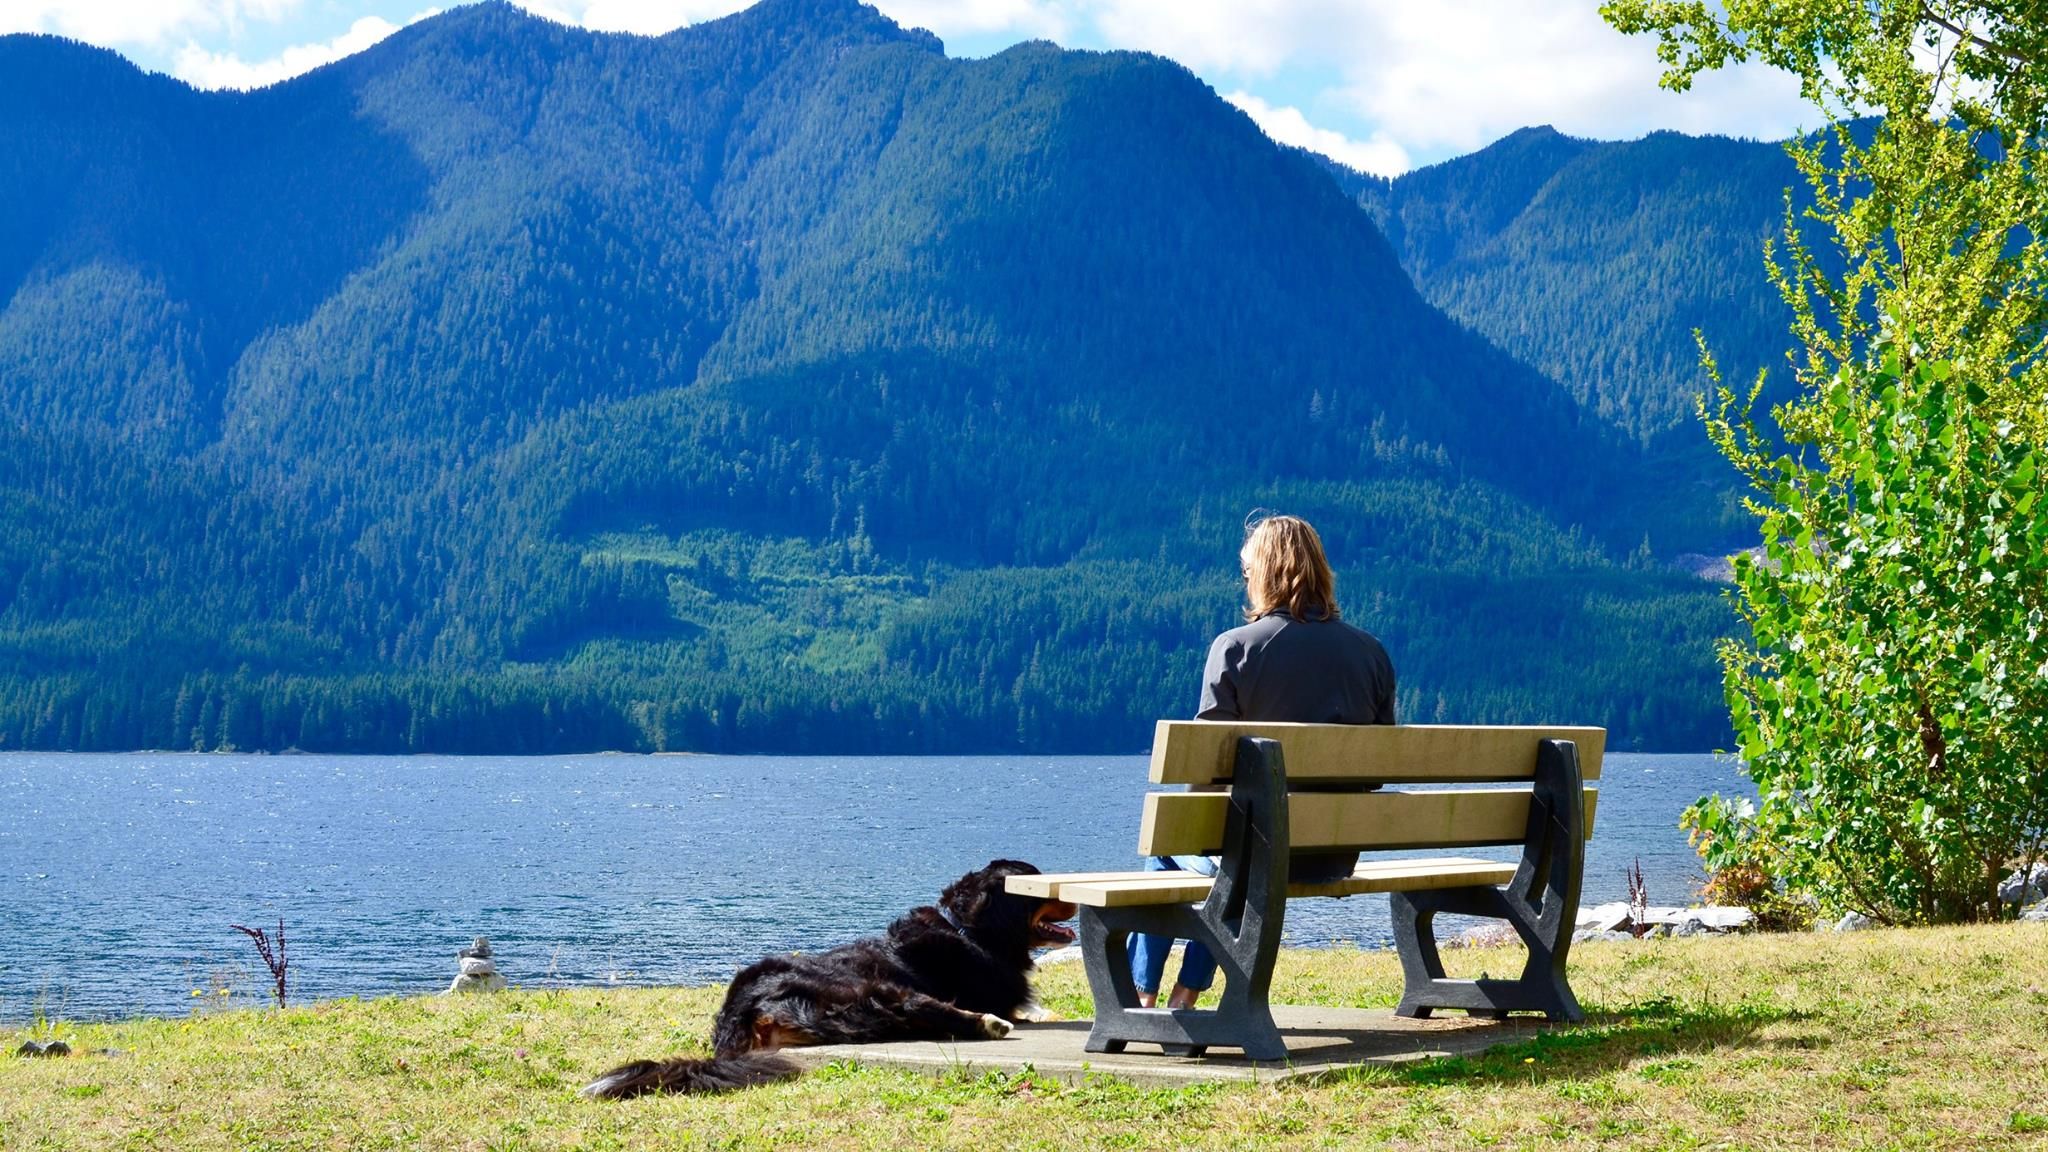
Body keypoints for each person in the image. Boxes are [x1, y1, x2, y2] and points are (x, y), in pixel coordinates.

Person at [1133, 512, 1397, 1010]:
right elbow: (1379, 770)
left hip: (1260, 855)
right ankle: (1183, 995)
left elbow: (1205, 769)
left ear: (1266, 573)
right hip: (1333, 855)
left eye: (1248, 569)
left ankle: (1144, 998)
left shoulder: (1235, 648)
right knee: (1240, 856)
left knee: (1176, 848)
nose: (1246, 579)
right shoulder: (1372, 654)